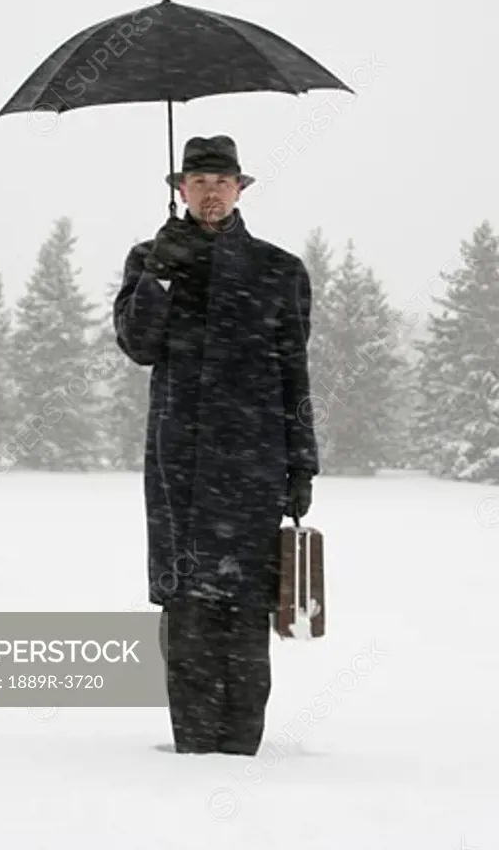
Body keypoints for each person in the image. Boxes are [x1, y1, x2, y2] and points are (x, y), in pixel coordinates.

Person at [113, 134, 319, 755]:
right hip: (178, 462)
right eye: (197, 182)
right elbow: (139, 344)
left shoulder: (278, 271)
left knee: (246, 608)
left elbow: (295, 374)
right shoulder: (150, 258)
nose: (209, 192)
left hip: (254, 461)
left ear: (239, 188)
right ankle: (193, 747)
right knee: (186, 605)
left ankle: (239, 747)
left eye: (220, 182)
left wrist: (301, 463)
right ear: (180, 189)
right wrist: (161, 275)